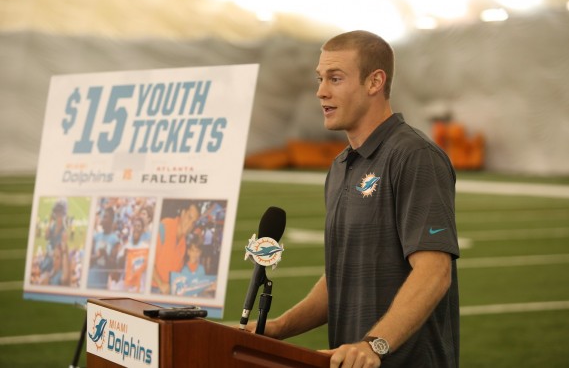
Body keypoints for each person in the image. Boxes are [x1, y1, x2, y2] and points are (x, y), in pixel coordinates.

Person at [244, 30, 460, 368]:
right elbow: (340, 277)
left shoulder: (415, 156)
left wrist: (374, 345)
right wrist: (278, 328)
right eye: (320, 79)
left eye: (335, 78)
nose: (321, 91)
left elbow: (434, 271)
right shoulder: (342, 166)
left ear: (374, 82)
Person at [151, 200, 200, 294]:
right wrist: (161, 284)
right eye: (189, 217)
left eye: (193, 222)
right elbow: (148, 261)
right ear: (182, 213)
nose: (190, 224)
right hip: (152, 288)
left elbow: (178, 274)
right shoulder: (164, 227)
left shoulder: (183, 244)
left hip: (167, 292)